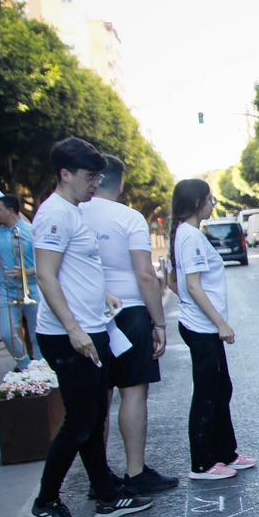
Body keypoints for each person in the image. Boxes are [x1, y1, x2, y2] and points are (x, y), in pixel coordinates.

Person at [30, 138, 153, 517]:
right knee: (79, 421)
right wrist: (73, 329)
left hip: (92, 325)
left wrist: (101, 294)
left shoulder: (73, 210)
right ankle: (46, 500)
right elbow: (45, 275)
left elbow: (72, 269)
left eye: (99, 176)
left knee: (93, 414)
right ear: (65, 174)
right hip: (71, 334)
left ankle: (106, 494)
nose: (95, 184)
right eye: (88, 176)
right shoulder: (54, 214)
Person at [83, 155, 177, 495]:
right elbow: (145, 274)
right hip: (130, 311)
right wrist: (159, 322)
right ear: (120, 183)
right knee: (133, 394)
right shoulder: (128, 217)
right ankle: (135, 472)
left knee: (99, 399)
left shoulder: (74, 212)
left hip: (88, 312)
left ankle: (99, 476)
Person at [171, 179, 255, 481]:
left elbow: (175, 281)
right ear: (197, 203)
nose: (213, 203)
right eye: (210, 199)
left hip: (201, 324)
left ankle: (225, 453)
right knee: (207, 394)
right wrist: (220, 323)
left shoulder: (185, 233)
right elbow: (192, 285)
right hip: (202, 327)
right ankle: (203, 463)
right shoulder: (190, 236)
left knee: (221, 389)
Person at [0, 194, 40, 370]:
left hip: (32, 288)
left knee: (36, 334)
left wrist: (26, 272)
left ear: (10, 211)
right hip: (6, 291)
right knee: (6, 334)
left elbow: (46, 263)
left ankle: (42, 371)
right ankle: (25, 367)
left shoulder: (32, 231)